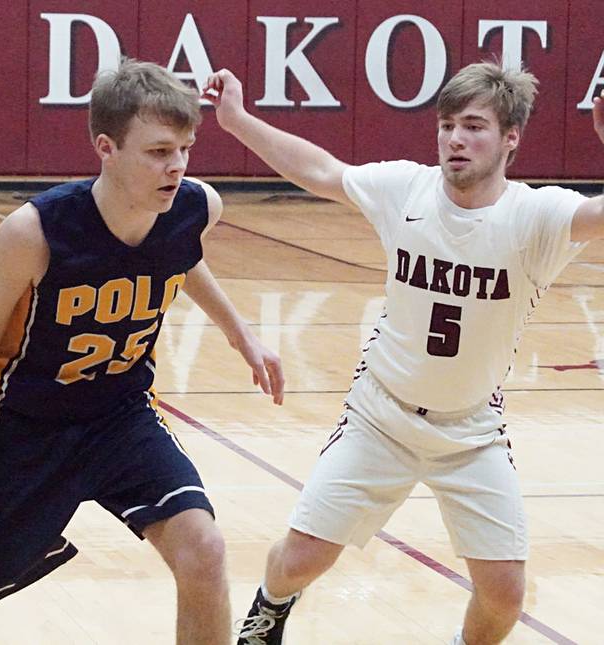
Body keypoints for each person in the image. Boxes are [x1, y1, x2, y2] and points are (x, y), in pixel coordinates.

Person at [0, 58, 284, 645]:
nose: (178, 166)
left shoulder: (195, 207)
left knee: (204, 548)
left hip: (123, 417)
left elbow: (183, 257)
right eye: (159, 151)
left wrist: (243, 334)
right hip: (25, 432)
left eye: (186, 148)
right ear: (106, 147)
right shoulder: (34, 232)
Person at [203, 62, 604, 645]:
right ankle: (268, 612)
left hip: (471, 431)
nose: (455, 139)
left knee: (505, 595)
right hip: (380, 417)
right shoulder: (405, 188)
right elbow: (320, 171)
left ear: (512, 137)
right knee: (299, 561)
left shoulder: (535, 217)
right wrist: (236, 120)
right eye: (447, 125)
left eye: (474, 126)